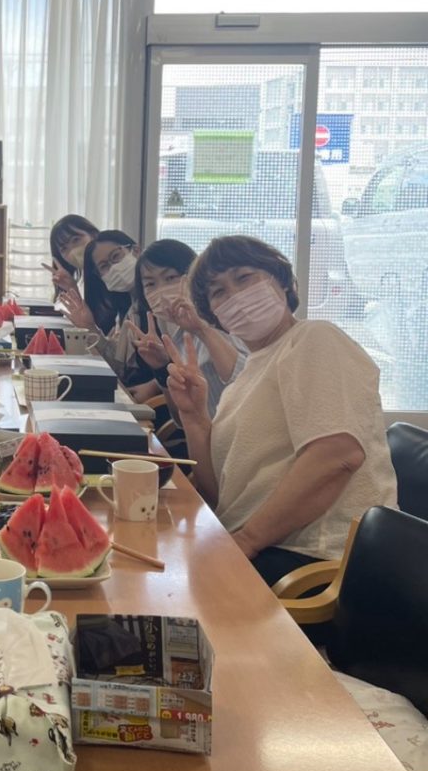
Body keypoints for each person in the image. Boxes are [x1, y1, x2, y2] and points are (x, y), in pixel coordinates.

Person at [165, 235, 398, 588]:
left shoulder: (315, 338)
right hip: (260, 545)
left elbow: (336, 456)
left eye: (244, 277)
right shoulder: (248, 374)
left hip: (312, 560)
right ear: (215, 315)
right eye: (219, 292)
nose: (235, 296)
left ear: (282, 282)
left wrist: (246, 541)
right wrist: (194, 417)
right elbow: (219, 494)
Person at [126, 239, 247, 420]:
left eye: (171, 278)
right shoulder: (178, 335)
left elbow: (248, 384)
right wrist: (161, 368)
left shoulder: (225, 321)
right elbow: (181, 419)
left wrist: (202, 330)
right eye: (150, 284)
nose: (162, 290)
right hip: (206, 435)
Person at [59, 230, 155, 393]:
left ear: (136, 250)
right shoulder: (128, 308)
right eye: (104, 266)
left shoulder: (160, 302)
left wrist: (155, 386)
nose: (114, 267)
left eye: (116, 256)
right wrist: (89, 327)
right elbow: (118, 367)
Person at [47, 214, 101, 313]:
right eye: (64, 249)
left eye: (76, 240)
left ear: (93, 235)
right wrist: (72, 288)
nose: (72, 250)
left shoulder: (111, 272)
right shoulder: (86, 278)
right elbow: (89, 320)